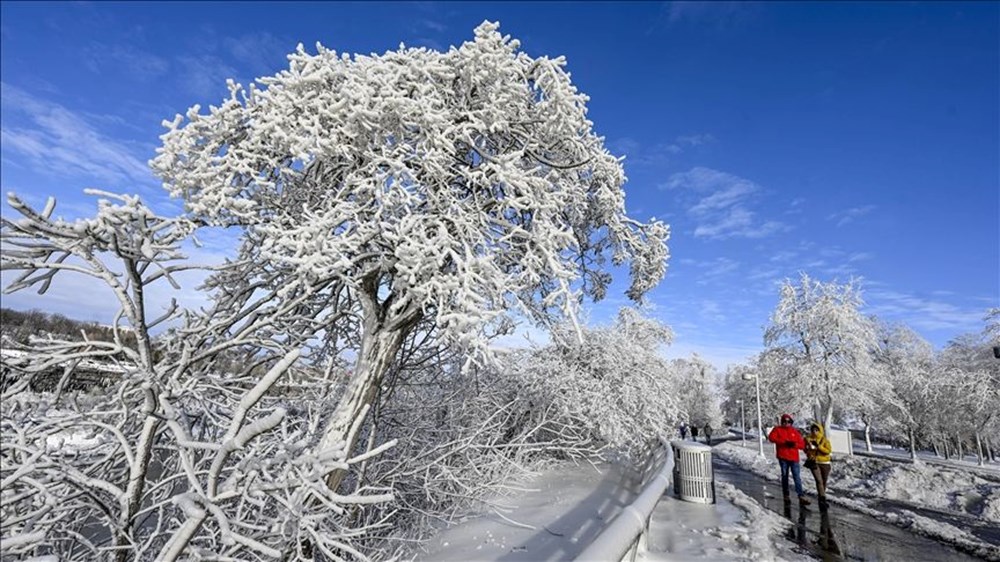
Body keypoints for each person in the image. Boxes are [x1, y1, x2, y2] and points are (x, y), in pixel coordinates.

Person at [768, 413, 810, 506]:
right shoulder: (777, 429)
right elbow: (771, 438)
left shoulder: (794, 431)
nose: (786, 423)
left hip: (794, 458)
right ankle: (786, 495)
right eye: (784, 421)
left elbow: (802, 445)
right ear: (782, 422)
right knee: (784, 476)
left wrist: (794, 445)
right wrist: (784, 443)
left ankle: (800, 495)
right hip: (783, 457)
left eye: (788, 421)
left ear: (791, 422)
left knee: (797, 477)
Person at [805, 421, 833, 510]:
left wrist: (819, 447)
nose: (814, 432)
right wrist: (808, 450)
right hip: (814, 462)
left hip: (825, 463)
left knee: (823, 482)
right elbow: (805, 449)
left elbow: (828, 451)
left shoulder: (824, 440)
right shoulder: (808, 439)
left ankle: (821, 497)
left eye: (817, 430)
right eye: (813, 430)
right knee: (819, 481)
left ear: (820, 431)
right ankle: (822, 500)